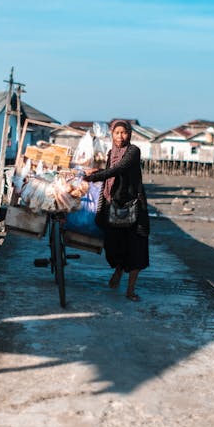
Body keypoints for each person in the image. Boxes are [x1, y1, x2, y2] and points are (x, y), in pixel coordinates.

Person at [83, 119, 149, 300]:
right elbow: (107, 175)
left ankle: (130, 290)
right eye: (117, 133)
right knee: (114, 246)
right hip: (114, 206)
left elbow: (118, 169)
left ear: (130, 134)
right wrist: (94, 177)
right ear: (112, 134)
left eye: (124, 132)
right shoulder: (111, 152)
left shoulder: (133, 151)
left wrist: (93, 177)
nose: (120, 136)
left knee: (137, 248)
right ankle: (119, 270)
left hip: (134, 207)